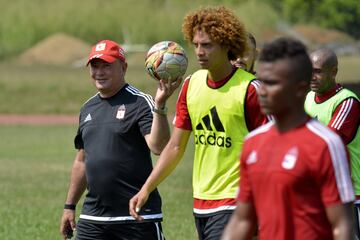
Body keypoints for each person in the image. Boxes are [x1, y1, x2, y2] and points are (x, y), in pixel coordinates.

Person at [129, 6, 268, 239]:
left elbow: (274, 147)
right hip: (202, 202)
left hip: (238, 200)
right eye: (196, 45)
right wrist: (147, 188)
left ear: (226, 45)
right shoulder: (191, 85)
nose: (199, 52)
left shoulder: (251, 90)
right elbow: (175, 147)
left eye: (207, 45)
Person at [222, 37, 355, 240]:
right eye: (262, 81)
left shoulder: (326, 145)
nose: (262, 91)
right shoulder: (253, 144)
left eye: (273, 83)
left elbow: (341, 226)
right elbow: (243, 220)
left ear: (299, 88)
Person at [59, 39, 180, 240]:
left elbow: (158, 147)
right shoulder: (87, 109)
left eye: (106, 66)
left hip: (137, 216)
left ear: (123, 67)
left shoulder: (140, 102)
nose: (99, 72)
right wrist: (69, 206)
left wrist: (160, 105)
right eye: (95, 66)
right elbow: (82, 161)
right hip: (93, 217)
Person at [304, 48, 360, 238]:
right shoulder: (308, 98)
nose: (312, 76)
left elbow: (325, 146)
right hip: (319, 194)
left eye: (318, 71)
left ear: (334, 72)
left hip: (350, 196)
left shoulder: (347, 102)